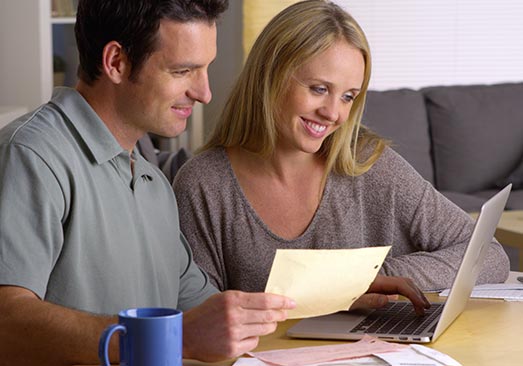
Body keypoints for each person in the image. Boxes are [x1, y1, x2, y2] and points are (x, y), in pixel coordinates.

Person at [0, 0, 430, 365]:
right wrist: (174, 339)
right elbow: (6, 321)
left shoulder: (148, 180)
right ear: (116, 62)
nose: (205, 92)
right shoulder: (33, 154)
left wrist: (335, 293)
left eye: (204, 69)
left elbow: (206, 308)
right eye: (183, 70)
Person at [173, 0, 510, 294]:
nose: (334, 113)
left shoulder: (366, 164)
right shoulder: (203, 185)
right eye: (319, 89)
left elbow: (489, 255)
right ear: (269, 76)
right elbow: (201, 318)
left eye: (348, 96)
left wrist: (371, 278)